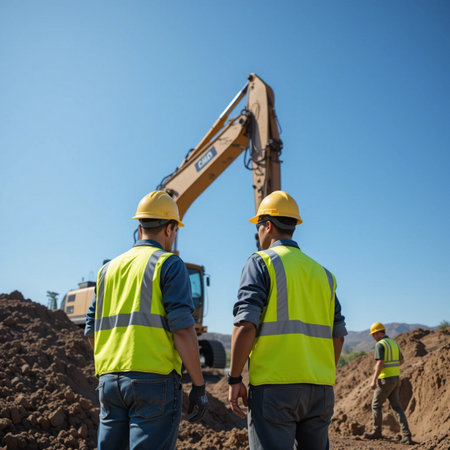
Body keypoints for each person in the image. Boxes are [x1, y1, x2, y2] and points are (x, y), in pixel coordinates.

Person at [84, 190, 209, 450]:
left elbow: (91, 329)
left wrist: (110, 367)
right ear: (170, 228)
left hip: (109, 380)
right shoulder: (169, 264)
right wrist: (198, 385)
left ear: (139, 227)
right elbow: (184, 331)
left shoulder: (107, 271)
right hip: (154, 382)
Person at [228, 190, 347, 450]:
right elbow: (338, 335)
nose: (258, 234)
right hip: (320, 390)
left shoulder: (260, 262)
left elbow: (246, 325)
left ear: (267, 225)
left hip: (274, 390)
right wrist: (321, 374)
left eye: (258, 227)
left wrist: (235, 379)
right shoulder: (323, 274)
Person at [364, 322, 413, 444]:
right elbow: (402, 361)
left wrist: (374, 380)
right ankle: (407, 435)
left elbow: (380, 363)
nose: (373, 337)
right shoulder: (394, 343)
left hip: (385, 380)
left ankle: (377, 432)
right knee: (397, 407)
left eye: (373, 335)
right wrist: (392, 368)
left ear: (378, 333)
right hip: (396, 379)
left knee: (376, 405)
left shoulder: (380, 345)